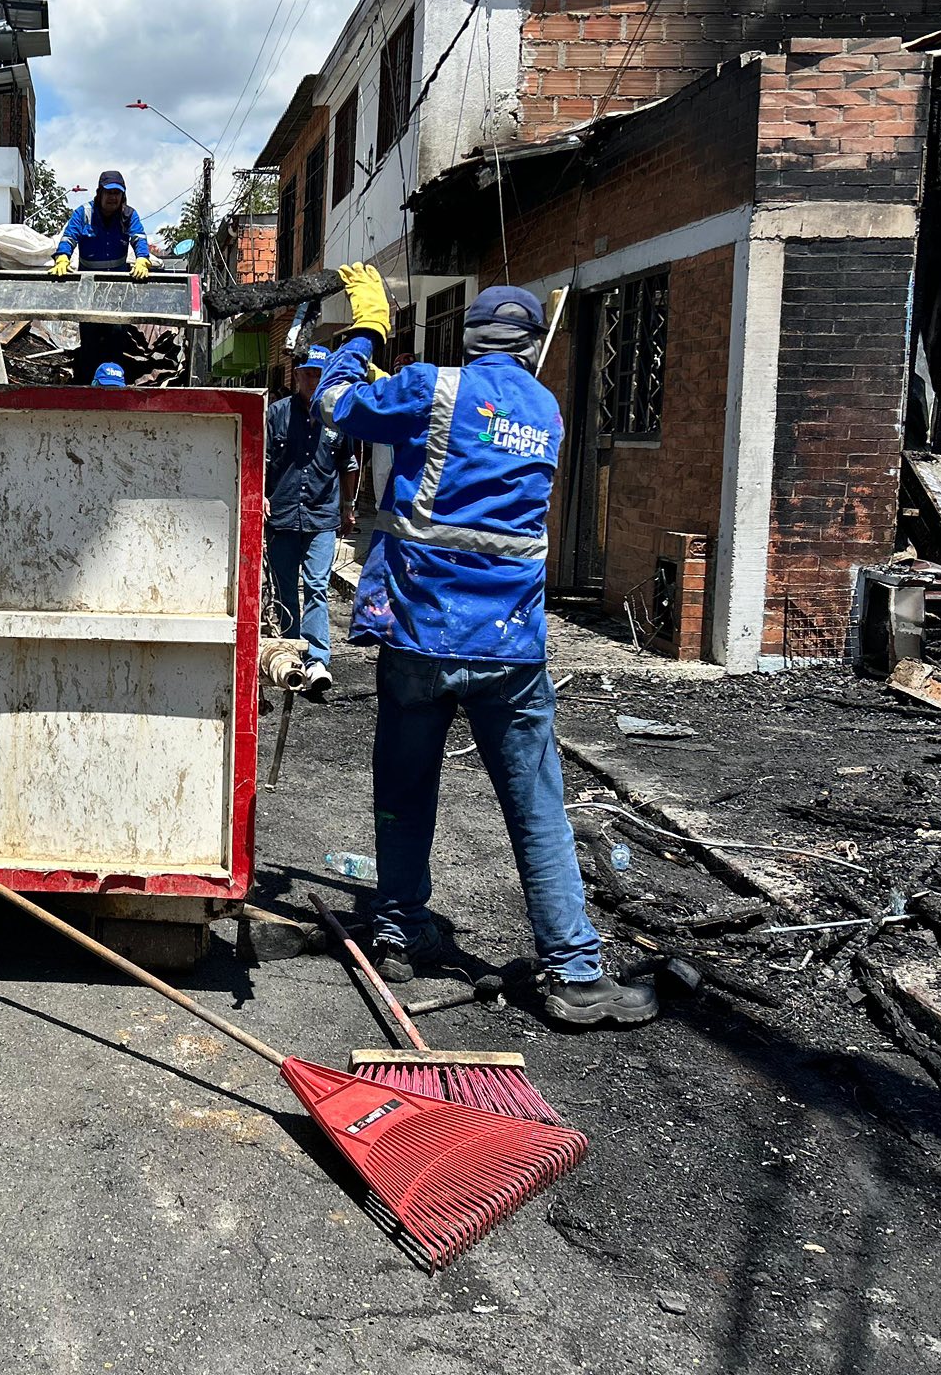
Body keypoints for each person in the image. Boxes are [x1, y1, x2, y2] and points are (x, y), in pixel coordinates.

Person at [311, 263, 657, 1027]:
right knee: (537, 808)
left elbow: (336, 404)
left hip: (422, 634)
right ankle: (573, 970)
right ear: (532, 345)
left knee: (404, 791)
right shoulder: (547, 410)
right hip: (511, 646)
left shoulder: (433, 386)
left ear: (469, 338)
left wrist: (366, 333)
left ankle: (400, 926)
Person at [266, 347, 358, 701]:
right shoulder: (277, 414)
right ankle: (291, 653)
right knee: (286, 589)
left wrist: (348, 507)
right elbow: (260, 458)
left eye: (319, 374)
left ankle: (318, 659)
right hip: (283, 516)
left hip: (322, 516)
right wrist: (260, 497)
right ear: (295, 376)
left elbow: (347, 464)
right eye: (307, 374)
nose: (312, 380)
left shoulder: (338, 416)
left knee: (317, 586)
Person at [53, 172, 152, 383]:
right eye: (108, 192)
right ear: (99, 193)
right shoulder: (84, 213)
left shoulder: (129, 215)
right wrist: (62, 257)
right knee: (89, 338)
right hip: (89, 289)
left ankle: (114, 385)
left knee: (116, 337)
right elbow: (69, 237)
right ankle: (87, 385)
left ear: (123, 196)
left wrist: (143, 259)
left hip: (117, 290)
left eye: (117, 193)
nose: (112, 197)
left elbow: (139, 238)